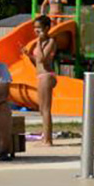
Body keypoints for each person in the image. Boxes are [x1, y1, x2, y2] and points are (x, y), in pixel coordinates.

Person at [22, 15, 58, 146]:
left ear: (47, 28)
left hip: (47, 75)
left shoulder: (50, 41)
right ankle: (45, 136)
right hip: (40, 75)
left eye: (39, 28)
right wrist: (28, 55)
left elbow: (43, 59)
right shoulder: (41, 42)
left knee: (46, 109)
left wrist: (38, 42)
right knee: (42, 109)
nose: (36, 31)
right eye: (35, 28)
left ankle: (48, 140)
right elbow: (37, 61)